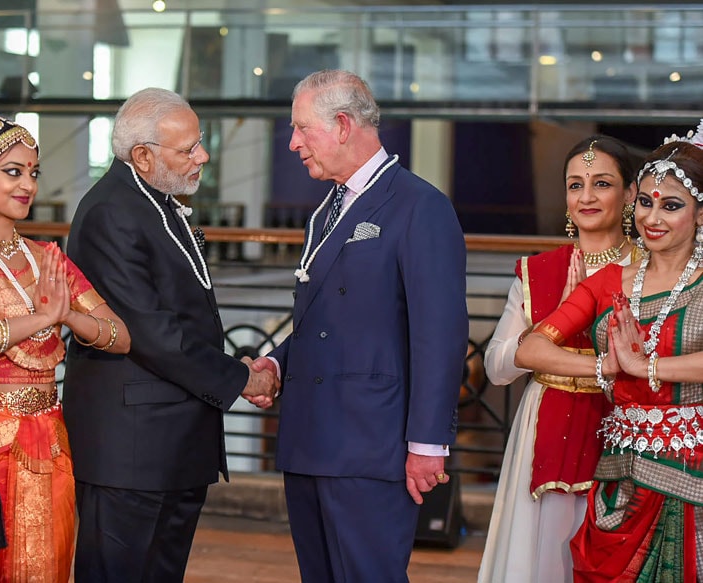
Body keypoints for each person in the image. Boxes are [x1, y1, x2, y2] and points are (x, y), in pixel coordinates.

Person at [249, 69, 468, 582]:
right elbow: (327, 320)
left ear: (343, 125)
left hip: (373, 445)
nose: (293, 143)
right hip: (310, 438)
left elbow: (441, 335)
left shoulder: (421, 206)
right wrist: (278, 364)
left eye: (302, 128)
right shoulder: (326, 208)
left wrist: (428, 445)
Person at [63, 87, 278, 583]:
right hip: (131, 453)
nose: (202, 156)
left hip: (170, 445)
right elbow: (151, 332)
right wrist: (239, 377)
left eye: (199, 143)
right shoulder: (111, 211)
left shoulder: (152, 200)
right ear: (142, 156)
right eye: (188, 149)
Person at [0, 116, 130, 582]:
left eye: (33, 172)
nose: (27, 184)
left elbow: (119, 335)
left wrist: (69, 316)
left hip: (49, 442)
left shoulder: (48, 257)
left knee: (47, 568)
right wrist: (40, 319)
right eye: (13, 171)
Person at [516, 137, 703, 581]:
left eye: (671, 206)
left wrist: (647, 367)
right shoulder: (608, 282)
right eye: (644, 203)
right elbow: (530, 349)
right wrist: (606, 367)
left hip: (692, 474)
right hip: (620, 472)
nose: (651, 219)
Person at [478, 136, 641, 582]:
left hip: (628, 423)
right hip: (547, 420)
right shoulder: (540, 271)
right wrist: (549, 328)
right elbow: (496, 366)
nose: (585, 197)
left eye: (601, 183)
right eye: (575, 185)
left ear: (630, 194)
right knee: (545, 554)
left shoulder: (654, 269)